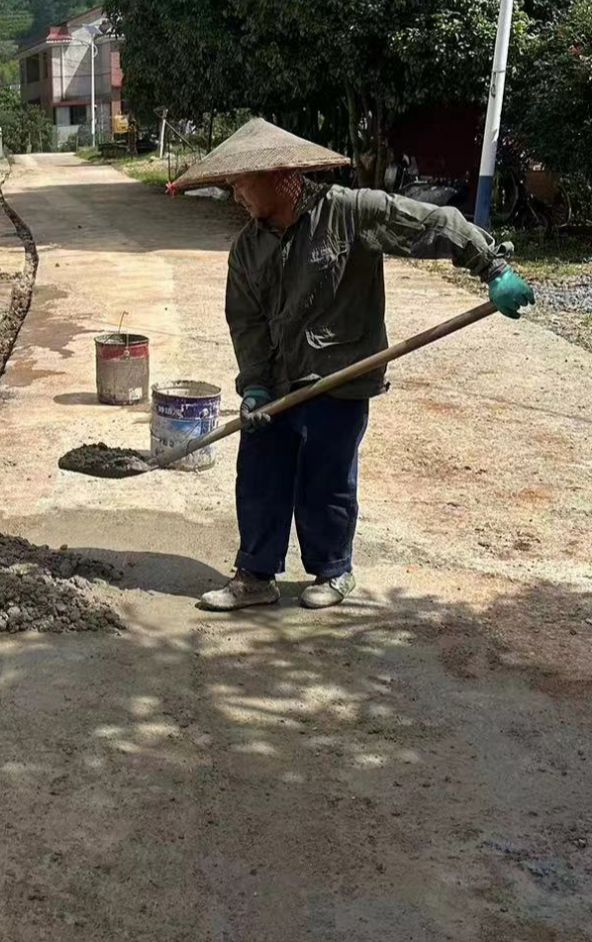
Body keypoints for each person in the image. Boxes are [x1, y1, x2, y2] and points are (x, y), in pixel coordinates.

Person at [172, 119, 534, 612]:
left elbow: (432, 223)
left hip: (341, 375)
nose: (236, 195)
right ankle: (255, 575)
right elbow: (247, 324)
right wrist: (254, 386)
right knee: (259, 469)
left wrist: (493, 266)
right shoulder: (247, 249)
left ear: (280, 176)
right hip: (278, 382)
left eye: (242, 182)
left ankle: (333, 571)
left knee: (326, 475)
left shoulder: (350, 212)